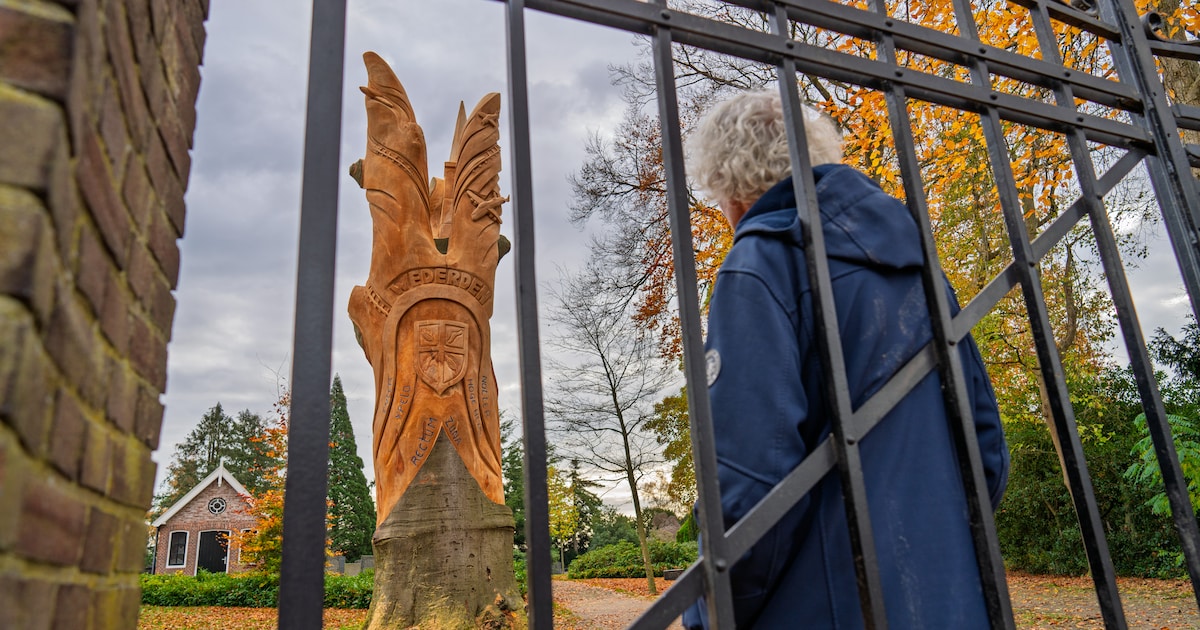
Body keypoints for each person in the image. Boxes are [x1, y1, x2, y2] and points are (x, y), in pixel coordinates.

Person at [680, 90, 1009, 629]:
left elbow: (749, 488)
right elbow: (985, 447)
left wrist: (708, 610)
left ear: (732, 187)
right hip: (950, 602)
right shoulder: (915, 262)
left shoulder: (760, 262)